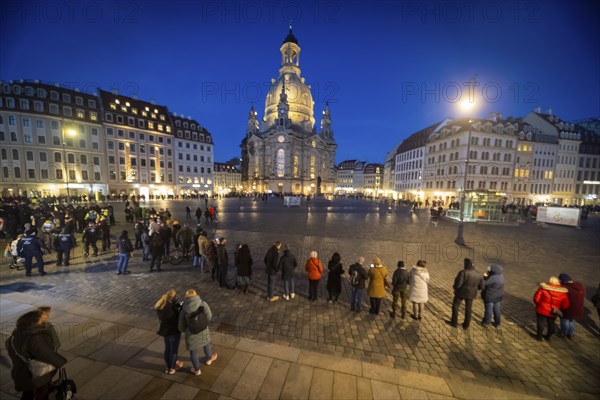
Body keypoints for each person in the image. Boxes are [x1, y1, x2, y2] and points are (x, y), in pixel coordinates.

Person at [6, 309, 68, 400]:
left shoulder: (14, 336)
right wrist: (61, 362)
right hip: (38, 373)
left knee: (28, 392)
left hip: (22, 372)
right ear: (33, 322)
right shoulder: (34, 337)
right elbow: (46, 353)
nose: (42, 321)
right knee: (42, 392)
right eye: (39, 319)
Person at [178, 289, 218, 376]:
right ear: (196, 295)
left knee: (193, 351)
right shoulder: (203, 304)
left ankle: (197, 370)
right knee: (206, 344)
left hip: (191, 333)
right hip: (203, 329)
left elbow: (181, 326)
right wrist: (202, 323)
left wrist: (186, 330)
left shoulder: (183, 309)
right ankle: (209, 359)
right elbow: (209, 316)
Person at [448, 258, 484, 329]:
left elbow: (458, 284)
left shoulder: (463, 272)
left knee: (455, 306)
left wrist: (455, 288)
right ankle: (466, 325)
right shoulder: (479, 274)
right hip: (471, 294)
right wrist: (475, 289)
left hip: (460, 293)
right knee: (468, 308)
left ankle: (454, 322)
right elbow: (482, 286)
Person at [154, 290, 184, 374]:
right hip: (174, 331)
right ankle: (172, 368)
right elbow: (178, 317)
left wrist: (176, 304)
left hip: (165, 331)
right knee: (174, 350)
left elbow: (170, 307)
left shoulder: (160, 306)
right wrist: (180, 307)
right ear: (173, 298)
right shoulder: (172, 308)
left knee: (167, 349)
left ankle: (168, 367)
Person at [533, 276, 570, 341]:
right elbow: (565, 305)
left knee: (541, 322)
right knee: (551, 323)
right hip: (553, 310)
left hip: (542, 308)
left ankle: (539, 337)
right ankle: (548, 337)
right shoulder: (563, 292)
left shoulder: (543, 288)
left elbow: (536, 299)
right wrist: (559, 308)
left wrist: (537, 304)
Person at [557, 273, 586, 339]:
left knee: (565, 320)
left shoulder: (566, 288)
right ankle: (570, 334)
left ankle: (563, 333)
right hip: (578, 308)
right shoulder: (580, 286)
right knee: (571, 320)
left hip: (569, 308)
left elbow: (562, 297)